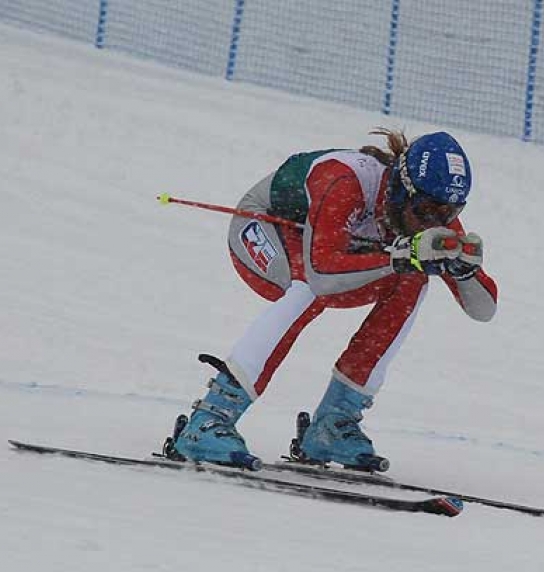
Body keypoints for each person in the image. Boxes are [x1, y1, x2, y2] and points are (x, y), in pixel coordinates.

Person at [166, 129, 498, 471]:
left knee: (413, 280)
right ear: (401, 188)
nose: (433, 222)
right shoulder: (346, 180)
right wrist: (398, 257)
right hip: (262, 228)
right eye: (426, 210)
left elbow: (483, 309)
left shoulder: (429, 209)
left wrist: (464, 272)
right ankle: (212, 416)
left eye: (447, 213)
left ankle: (334, 423)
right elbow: (322, 273)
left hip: (326, 257)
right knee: (307, 285)